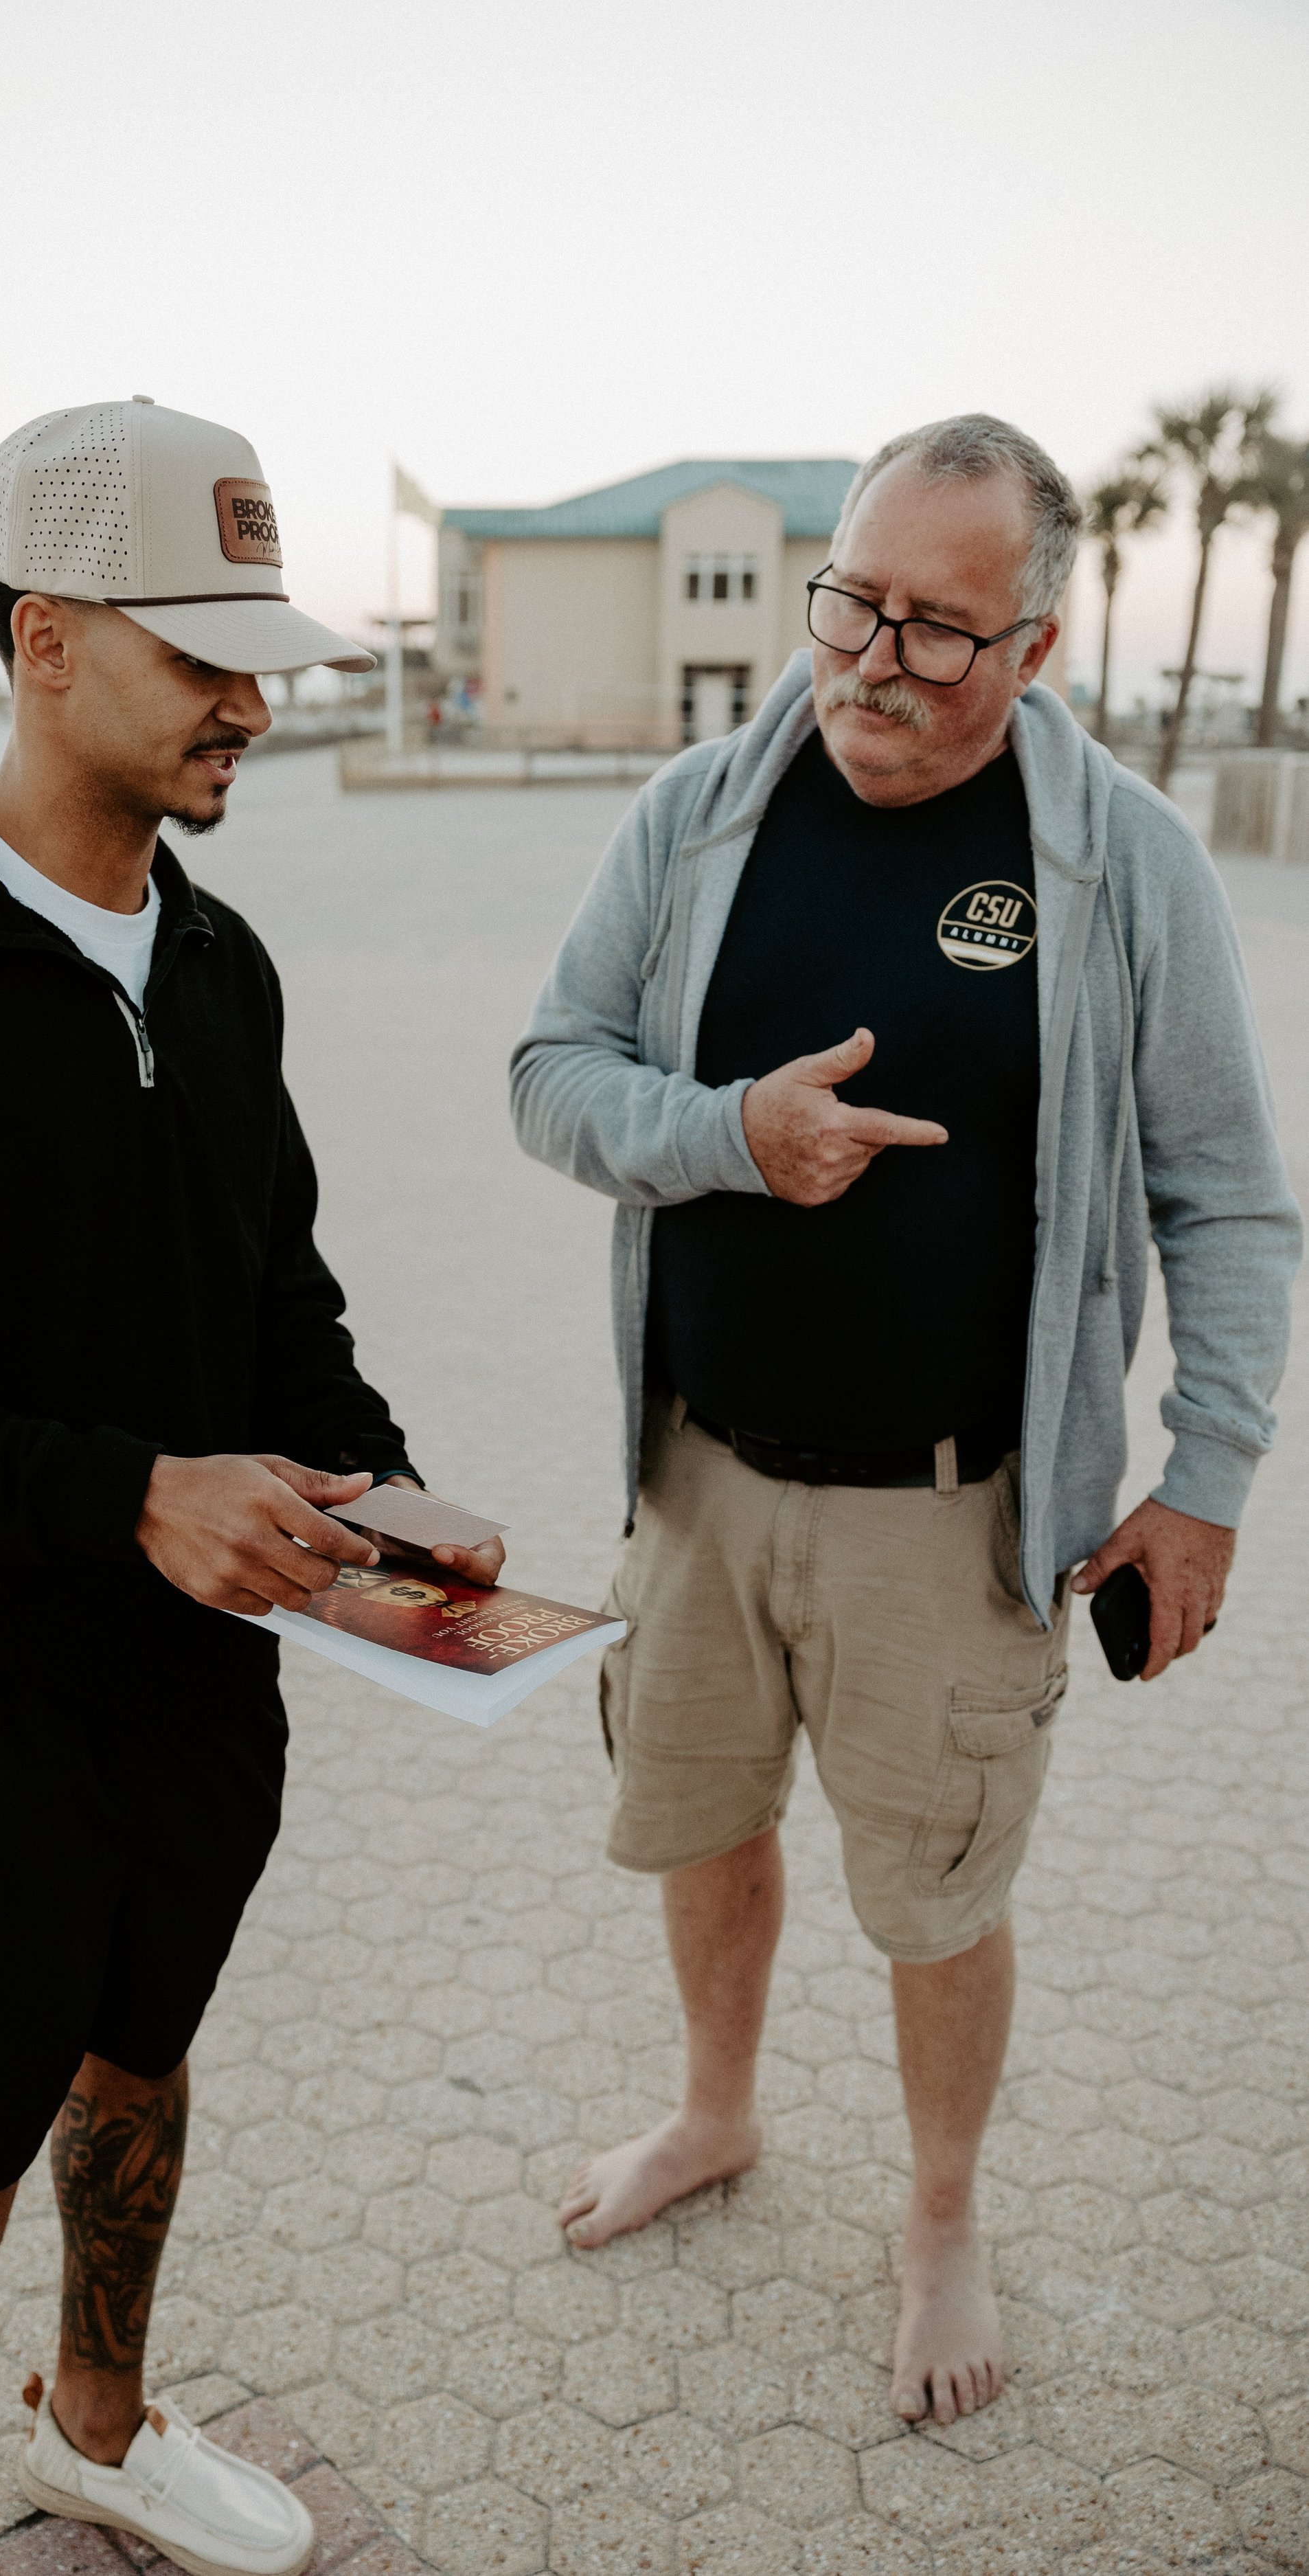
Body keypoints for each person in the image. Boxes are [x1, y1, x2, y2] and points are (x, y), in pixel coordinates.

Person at [0, 397, 502, 2576]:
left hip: (201, 1701)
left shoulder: (224, 965)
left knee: (137, 2079)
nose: (256, 701)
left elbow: (279, 1307)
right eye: (205, 654)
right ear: (45, 641)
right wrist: (121, 1495)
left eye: (265, 653)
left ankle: (107, 2432)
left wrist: (386, 1487)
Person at [510, 414, 1299, 2428]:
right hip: (692, 1474)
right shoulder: (700, 810)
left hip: (953, 1517)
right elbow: (548, 1072)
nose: (868, 657)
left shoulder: (1119, 860)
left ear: (1033, 647)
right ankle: (713, 2114)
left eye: (936, 630)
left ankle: (941, 2209)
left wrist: (1201, 1483)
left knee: (936, 1895)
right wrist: (727, 1141)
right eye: (849, 600)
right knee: (701, 1827)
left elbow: (1224, 1192)